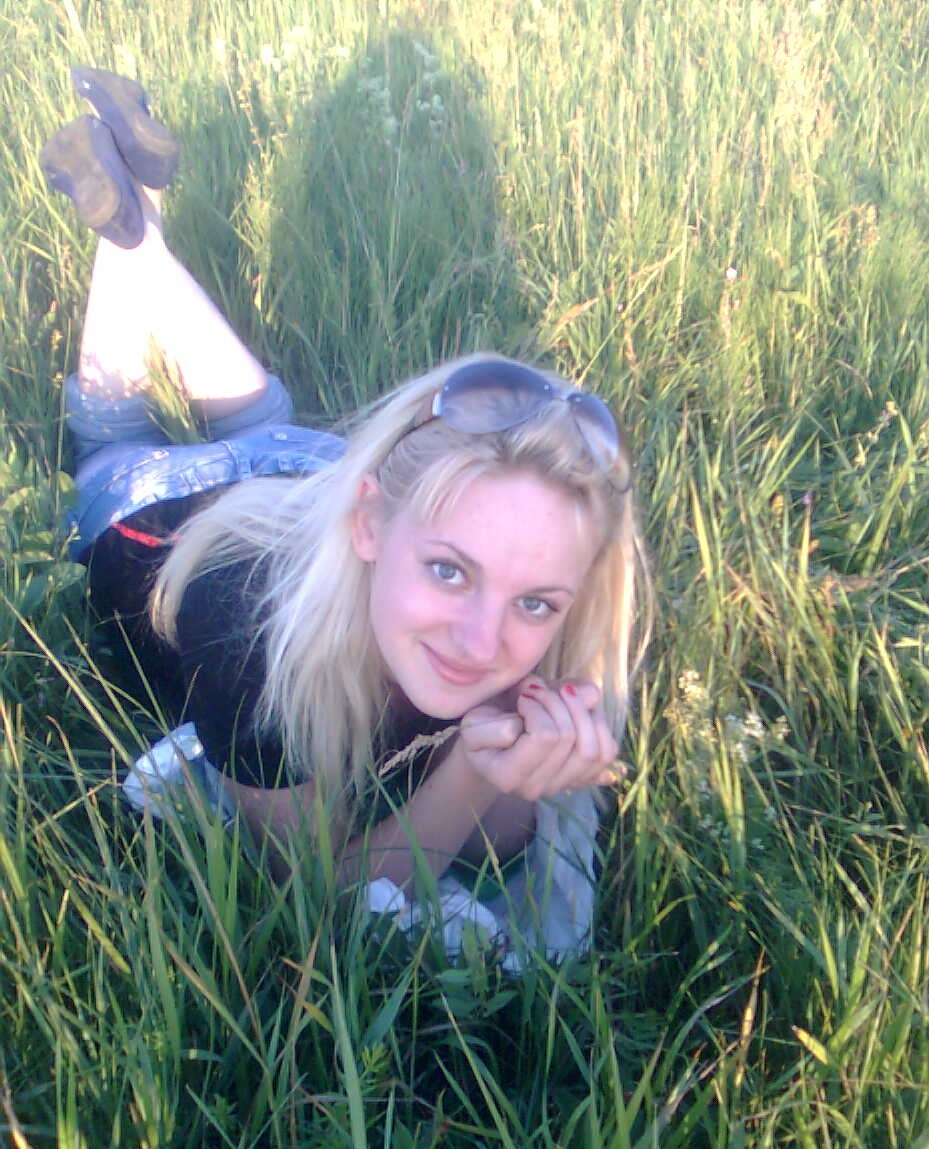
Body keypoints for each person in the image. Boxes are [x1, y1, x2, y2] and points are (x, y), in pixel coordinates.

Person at [41, 68, 648, 914]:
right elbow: (320, 894)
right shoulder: (257, 645)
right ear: (369, 520)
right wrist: (474, 774)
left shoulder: (449, 545)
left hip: (302, 469)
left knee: (263, 420)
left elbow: (504, 834)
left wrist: (507, 764)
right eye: (449, 571)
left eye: (536, 602)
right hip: (158, 506)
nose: (482, 642)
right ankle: (128, 236)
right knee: (115, 437)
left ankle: (135, 227)